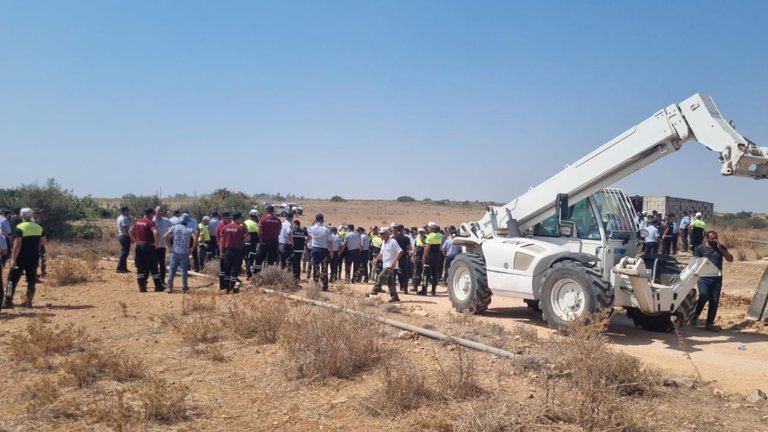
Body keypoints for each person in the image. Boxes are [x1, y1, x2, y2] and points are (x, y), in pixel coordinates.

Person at [4, 208, 46, 308]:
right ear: (31, 215)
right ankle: (29, 301)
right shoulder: (38, 227)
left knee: (11, 280)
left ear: (21, 216)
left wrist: (13, 259)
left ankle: (8, 301)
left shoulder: (19, 228)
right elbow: (44, 241)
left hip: (20, 259)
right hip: (33, 258)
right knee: (31, 280)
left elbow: (17, 244)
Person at [692, 230, 733, 332]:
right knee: (704, 295)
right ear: (707, 238)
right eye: (712, 238)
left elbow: (730, 259)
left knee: (714, 300)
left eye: (716, 238)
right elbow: (695, 263)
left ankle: (709, 323)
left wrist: (721, 249)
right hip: (703, 277)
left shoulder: (720, 248)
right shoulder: (700, 249)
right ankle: (695, 315)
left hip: (716, 278)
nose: (714, 240)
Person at [129, 208, 163, 292]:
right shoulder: (150, 222)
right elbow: (155, 232)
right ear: (151, 214)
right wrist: (156, 243)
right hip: (148, 246)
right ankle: (158, 286)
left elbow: (130, 231)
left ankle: (142, 286)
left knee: (140, 267)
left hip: (139, 246)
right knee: (153, 266)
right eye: (153, 214)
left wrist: (135, 240)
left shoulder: (138, 221)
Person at [164, 214, 197, 293]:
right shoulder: (189, 229)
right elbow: (195, 238)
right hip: (185, 252)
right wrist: (192, 248)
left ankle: (169, 287)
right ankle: (184, 288)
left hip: (175, 252)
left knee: (172, 269)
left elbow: (165, 236)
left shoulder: (174, 228)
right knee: (184, 270)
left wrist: (169, 246)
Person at [368, 227, 402, 303]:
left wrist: (394, 261)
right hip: (385, 264)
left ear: (387, 234)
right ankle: (395, 297)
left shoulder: (393, 241)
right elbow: (381, 253)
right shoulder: (384, 242)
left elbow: (400, 251)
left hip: (390, 265)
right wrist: (376, 259)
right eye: (380, 234)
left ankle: (373, 293)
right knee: (390, 282)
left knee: (380, 277)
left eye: (382, 234)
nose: (380, 235)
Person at [219, 212, 249, 294]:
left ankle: (226, 288)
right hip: (238, 252)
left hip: (227, 251)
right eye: (241, 218)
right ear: (238, 219)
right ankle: (231, 288)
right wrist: (246, 228)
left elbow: (221, 241)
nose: (242, 220)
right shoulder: (241, 228)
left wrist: (221, 251)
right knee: (234, 270)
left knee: (227, 269)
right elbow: (247, 239)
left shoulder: (225, 228)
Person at [306, 213, 332, 290]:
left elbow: (309, 230)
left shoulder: (312, 228)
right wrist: (331, 251)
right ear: (323, 220)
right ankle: (324, 285)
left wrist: (314, 222)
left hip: (315, 249)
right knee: (324, 268)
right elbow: (329, 241)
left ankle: (316, 284)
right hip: (324, 250)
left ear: (316, 219)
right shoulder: (326, 230)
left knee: (316, 267)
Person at [254, 205, 281, 274]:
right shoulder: (278, 220)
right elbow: (279, 231)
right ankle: (269, 275)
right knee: (271, 259)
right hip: (274, 242)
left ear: (266, 211)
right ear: (273, 211)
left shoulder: (263, 219)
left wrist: (261, 238)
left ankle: (257, 274)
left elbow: (259, 231)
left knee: (259, 258)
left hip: (264, 242)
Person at [421, 222, 443, 296]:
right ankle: (433, 290)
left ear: (432, 228)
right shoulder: (440, 235)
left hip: (429, 256)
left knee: (425, 273)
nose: (428, 229)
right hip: (437, 256)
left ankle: (424, 290)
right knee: (435, 274)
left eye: (428, 227)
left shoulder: (430, 236)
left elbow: (427, 247)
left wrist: (424, 256)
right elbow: (441, 247)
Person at [153, 206, 172, 284]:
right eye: (159, 211)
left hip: (162, 246)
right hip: (153, 246)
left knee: (162, 264)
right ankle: (156, 281)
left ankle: (162, 280)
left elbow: (174, 226)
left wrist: (169, 233)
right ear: (155, 211)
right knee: (154, 264)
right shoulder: (152, 220)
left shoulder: (166, 220)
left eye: (161, 211)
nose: (160, 212)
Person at [393, 225, 412, 294]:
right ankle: (405, 289)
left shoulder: (393, 238)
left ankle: (393, 289)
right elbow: (410, 248)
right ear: (402, 230)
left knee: (394, 274)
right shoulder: (406, 238)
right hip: (403, 258)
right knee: (404, 274)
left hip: (395, 258)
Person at [243, 209, 260, 278]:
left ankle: (247, 272)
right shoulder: (256, 224)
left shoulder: (245, 222)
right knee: (251, 259)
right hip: (252, 244)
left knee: (246, 258)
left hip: (244, 244)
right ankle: (248, 273)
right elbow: (259, 234)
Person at [116, 206, 132, 273]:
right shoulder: (124, 219)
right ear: (123, 211)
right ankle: (120, 268)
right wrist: (131, 237)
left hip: (122, 236)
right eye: (127, 211)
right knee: (124, 253)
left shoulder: (120, 218)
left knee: (125, 252)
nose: (128, 212)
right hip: (125, 236)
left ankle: (124, 268)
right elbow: (126, 229)